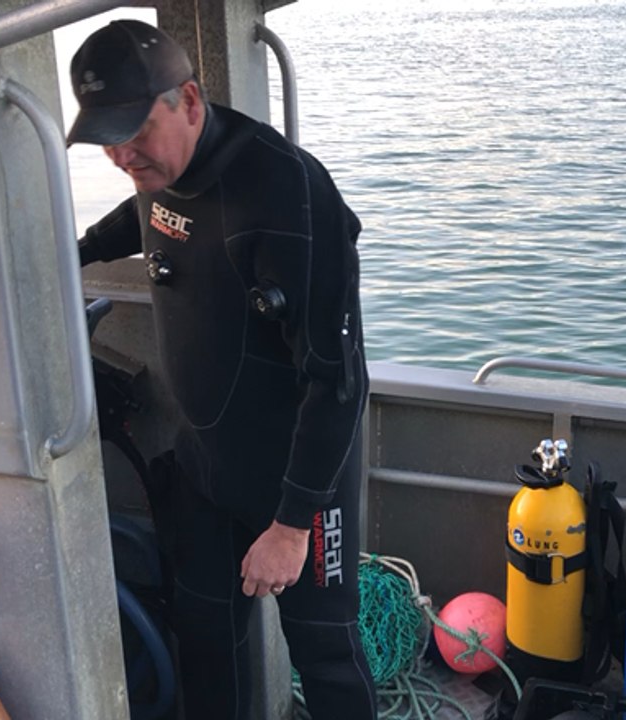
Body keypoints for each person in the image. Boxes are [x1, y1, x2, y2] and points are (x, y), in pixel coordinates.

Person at [68, 20, 375, 720]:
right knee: (205, 641)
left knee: (324, 652)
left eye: (137, 131)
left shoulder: (288, 193)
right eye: (107, 138)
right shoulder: (160, 170)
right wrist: (72, 250)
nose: (123, 155)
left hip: (299, 483)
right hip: (207, 466)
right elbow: (143, 214)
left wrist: (293, 526)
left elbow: (338, 380)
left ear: (191, 102)